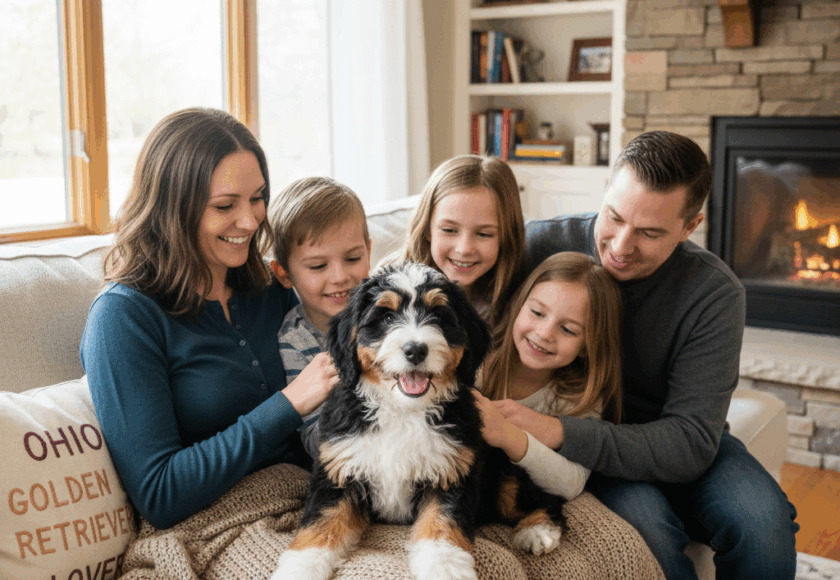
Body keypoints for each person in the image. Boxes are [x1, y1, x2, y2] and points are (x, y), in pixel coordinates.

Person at [515, 131, 798, 579]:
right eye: (614, 217)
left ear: (689, 227)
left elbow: (690, 442)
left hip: (674, 437)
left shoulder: (714, 294)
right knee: (648, 531)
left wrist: (552, 430)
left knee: (763, 526)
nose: (621, 246)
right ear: (605, 191)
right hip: (593, 434)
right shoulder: (539, 246)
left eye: (649, 233)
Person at [80, 108, 337, 530]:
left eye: (257, 198)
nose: (250, 220)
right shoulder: (124, 318)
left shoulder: (271, 288)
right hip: (219, 524)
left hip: (319, 501)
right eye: (225, 205)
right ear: (173, 209)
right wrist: (287, 405)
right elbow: (159, 493)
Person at [473, 252, 623, 500]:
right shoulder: (477, 361)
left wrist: (508, 436)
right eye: (537, 312)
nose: (544, 333)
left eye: (567, 329)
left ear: (588, 346)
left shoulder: (578, 397)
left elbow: (571, 483)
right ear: (519, 305)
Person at [267, 176, 372, 460]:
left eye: (352, 259)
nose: (340, 277)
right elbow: (316, 444)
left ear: (369, 251)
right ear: (284, 273)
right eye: (318, 265)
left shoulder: (391, 308)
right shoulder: (296, 340)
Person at [395, 154, 526, 325]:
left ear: (506, 237)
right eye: (449, 230)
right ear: (427, 229)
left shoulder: (521, 302)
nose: (464, 249)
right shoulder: (390, 287)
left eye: (484, 234)